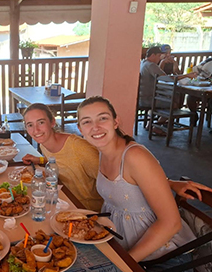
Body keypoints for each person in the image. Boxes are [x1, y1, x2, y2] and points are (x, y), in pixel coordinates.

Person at [22, 103, 212, 212]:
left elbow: (120, 175)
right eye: (30, 125)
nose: (36, 130)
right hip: (69, 205)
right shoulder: (43, 144)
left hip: (94, 211)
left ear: (52, 122)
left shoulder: (80, 149)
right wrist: (40, 160)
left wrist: (169, 183)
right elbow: (62, 162)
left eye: (40, 123)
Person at [77, 96, 198, 268]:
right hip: (122, 247)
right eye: (87, 121)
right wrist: (168, 183)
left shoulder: (135, 156)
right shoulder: (103, 151)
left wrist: (122, 264)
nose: (95, 127)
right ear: (80, 128)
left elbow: (171, 223)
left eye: (103, 118)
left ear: (115, 121)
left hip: (161, 258)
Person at [140, 46, 197, 133]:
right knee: (173, 105)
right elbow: (167, 78)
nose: (160, 58)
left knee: (169, 99)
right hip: (148, 99)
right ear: (153, 55)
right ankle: (155, 126)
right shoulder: (151, 65)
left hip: (143, 97)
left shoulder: (143, 63)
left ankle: (150, 125)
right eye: (159, 56)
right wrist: (187, 75)